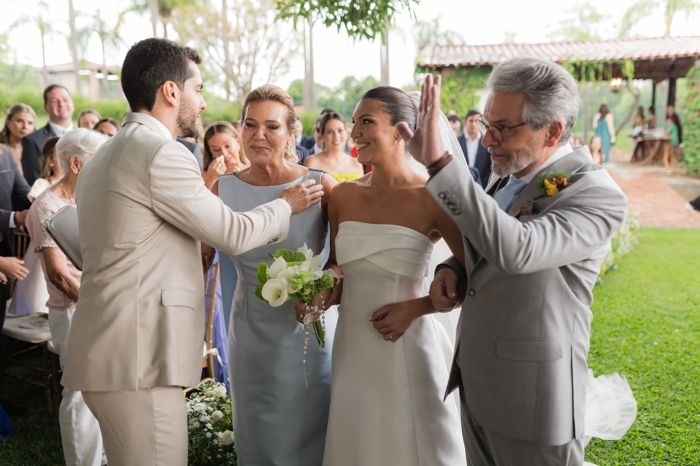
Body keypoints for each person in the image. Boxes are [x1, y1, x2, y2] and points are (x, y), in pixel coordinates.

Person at [60, 38, 324, 466]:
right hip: (139, 358)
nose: (201, 103)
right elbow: (232, 233)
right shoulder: (161, 153)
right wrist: (286, 205)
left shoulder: (103, 155)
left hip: (110, 352)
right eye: (197, 89)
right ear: (171, 91)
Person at [406, 60, 628, 465]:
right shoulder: (508, 174)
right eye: (486, 123)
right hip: (476, 383)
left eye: (502, 127)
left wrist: (440, 165)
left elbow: (520, 249)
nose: (488, 139)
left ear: (552, 131)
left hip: (533, 401)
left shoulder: (595, 194)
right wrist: (453, 269)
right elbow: (488, 241)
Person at [314, 86, 466, 465]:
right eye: (354, 123)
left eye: (366, 122)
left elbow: (473, 273)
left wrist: (417, 308)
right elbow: (337, 267)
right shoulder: (343, 196)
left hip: (408, 340)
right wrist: (320, 291)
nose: (354, 133)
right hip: (354, 343)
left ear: (401, 131)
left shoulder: (432, 197)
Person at [199, 84, 337, 466]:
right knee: (257, 437)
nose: (258, 135)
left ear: (291, 133)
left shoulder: (320, 185)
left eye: (272, 126)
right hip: (250, 337)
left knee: (312, 433)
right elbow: (200, 258)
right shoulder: (221, 189)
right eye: (250, 124)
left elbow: (342, 264)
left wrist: (322, 293)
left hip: (307, 335)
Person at [26, 128, 108, 466]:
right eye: (97, 162)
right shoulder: (47, 206)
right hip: (74, 309)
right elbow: (59, 275)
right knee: (79, 391)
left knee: (101, 385)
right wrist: (95, 304)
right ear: (75, 164)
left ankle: (102, 456)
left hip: (97, 302)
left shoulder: (87, 196)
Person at [6, 137, 60, 317]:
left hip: (68, 245)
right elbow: (37, 212)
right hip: (44, 241)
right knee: (38, 285)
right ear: (50, 161)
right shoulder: (42, 185)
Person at [0, 143, 31, 411]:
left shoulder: (5, 153)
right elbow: (16, 213)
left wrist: (50, 200)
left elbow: (24, 195)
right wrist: (14, 218)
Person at [22, 85, 75, 185]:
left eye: (65, 99)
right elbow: (33, 180)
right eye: (54, 101)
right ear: (45, 107)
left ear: (72, 104)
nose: (61, 104)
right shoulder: (32, 141)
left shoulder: (85, 136)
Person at [304, 112, 364, 182]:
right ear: (322, 136)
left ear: (347, 134)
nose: (336, 136)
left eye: (340, 131)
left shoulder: (356, 163)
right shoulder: (312, 162)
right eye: (330, 132)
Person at [201, 121, 249, 189]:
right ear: (210, 152)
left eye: (227, 146)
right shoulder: (203, 178)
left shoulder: (253, 171)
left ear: (238, 142)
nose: (224, 154)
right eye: (216, 149)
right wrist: (210, 180)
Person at [0, 103, 37, 177]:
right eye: (19, 121)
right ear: (8, 122)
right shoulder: (2, 149)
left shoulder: (37, 150)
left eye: (30, 123)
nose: (25, 127)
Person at [458, 109, 492, 188]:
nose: (473, 124)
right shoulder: (457, 142)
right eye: (471, 121)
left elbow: (489, 167)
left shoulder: (487, 142)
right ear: (465, 122)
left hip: (483, 186)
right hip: (462, 185)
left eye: (476, 121)